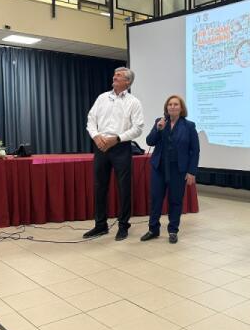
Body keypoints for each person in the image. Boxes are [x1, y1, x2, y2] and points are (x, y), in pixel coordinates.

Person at [85, 67, 144, 241]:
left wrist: (117, 138)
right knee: (99, 187)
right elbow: (91, 119)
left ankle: (123, 226)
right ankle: (100, 225)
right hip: (101, 145)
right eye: (115, 74)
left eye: (119, 75)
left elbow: (138, 128)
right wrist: (96, 136)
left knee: (124, 188)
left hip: (121, 147)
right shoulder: (102, 97)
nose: (114, 77)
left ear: (127, 81)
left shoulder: (134, 102)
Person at [141, 95, 200, 244]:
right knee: (156, 199)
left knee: (175, 200)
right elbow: (150, 141)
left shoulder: (189, 126)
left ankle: (173, 230)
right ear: (166, 108)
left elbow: (195, 150)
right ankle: (153, 229)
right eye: (170, 104)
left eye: (176, 104)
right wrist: (158, 129)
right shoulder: (160, 122)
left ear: (181, 108)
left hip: (178, 169)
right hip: (159, 167)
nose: (172, 107)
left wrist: (192, 171)